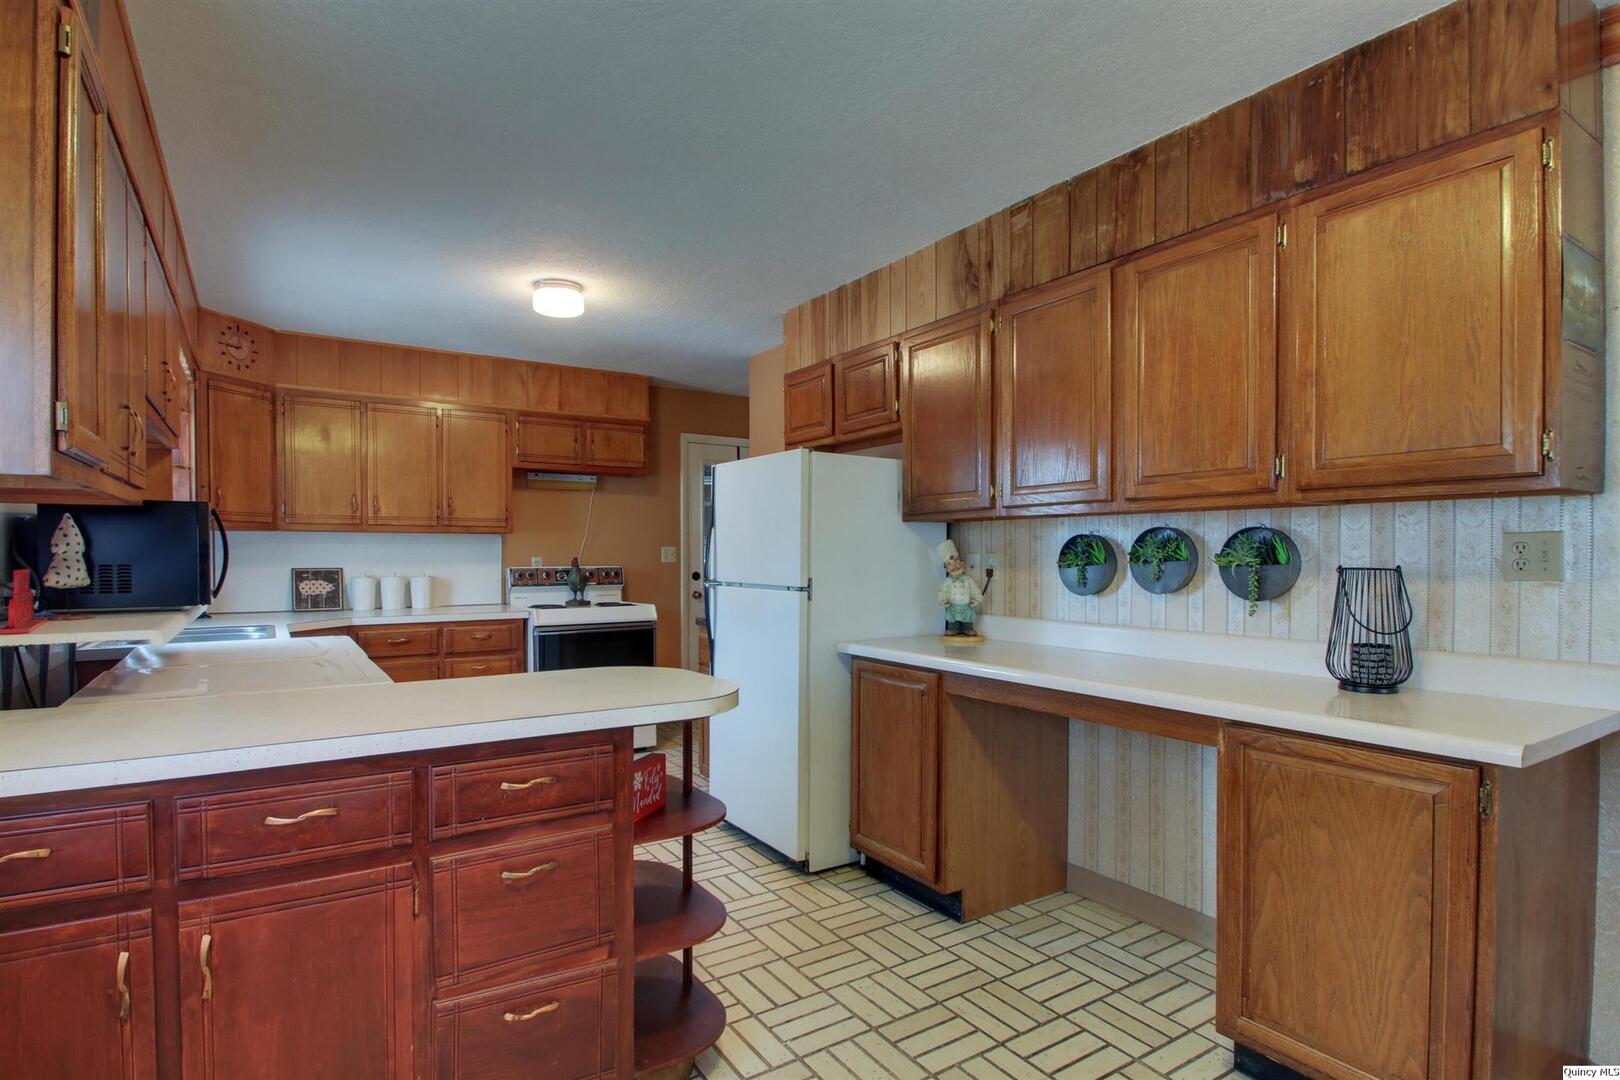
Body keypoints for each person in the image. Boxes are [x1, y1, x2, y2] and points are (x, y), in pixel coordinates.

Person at [936, 540, 984, 638]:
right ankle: (953, 627)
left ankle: (968, 628)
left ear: (962, 563)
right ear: (946, 568)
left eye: (956, 562)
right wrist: (942, 601)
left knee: (968, 619)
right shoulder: (948, 581)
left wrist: (977, 600)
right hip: (952, 607)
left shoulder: (968, 579)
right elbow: (943, 591)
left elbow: (975, 590)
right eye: (949, 564)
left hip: (967, 607)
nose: (954, 566)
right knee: (952, 619)